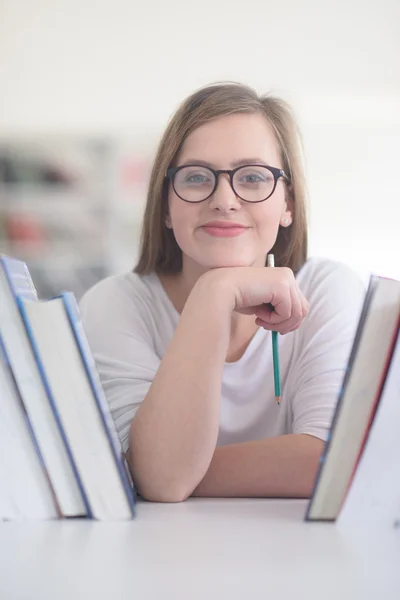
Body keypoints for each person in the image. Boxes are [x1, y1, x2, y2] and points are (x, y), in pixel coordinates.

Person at [80, 82, 365, 503]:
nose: (224, 199)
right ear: (164, 205)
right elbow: (161, 481)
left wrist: (161, 468)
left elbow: (332, 462)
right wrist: (214, 294)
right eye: (197, 177)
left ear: (288, 203)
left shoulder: (328, 290)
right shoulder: (115, 305)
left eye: (252, 177)